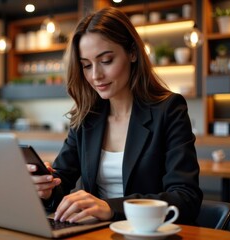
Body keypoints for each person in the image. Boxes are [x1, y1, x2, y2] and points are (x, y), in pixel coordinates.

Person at [27, 7, 202, 225]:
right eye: (86, 65)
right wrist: (47, 189)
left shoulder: (169, 109)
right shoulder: (87, 116)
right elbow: (62, 181)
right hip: (94, 233)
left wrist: (111, 207)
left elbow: (186, 198)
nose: (95, 75)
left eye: (106, 60)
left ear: (132, 53)